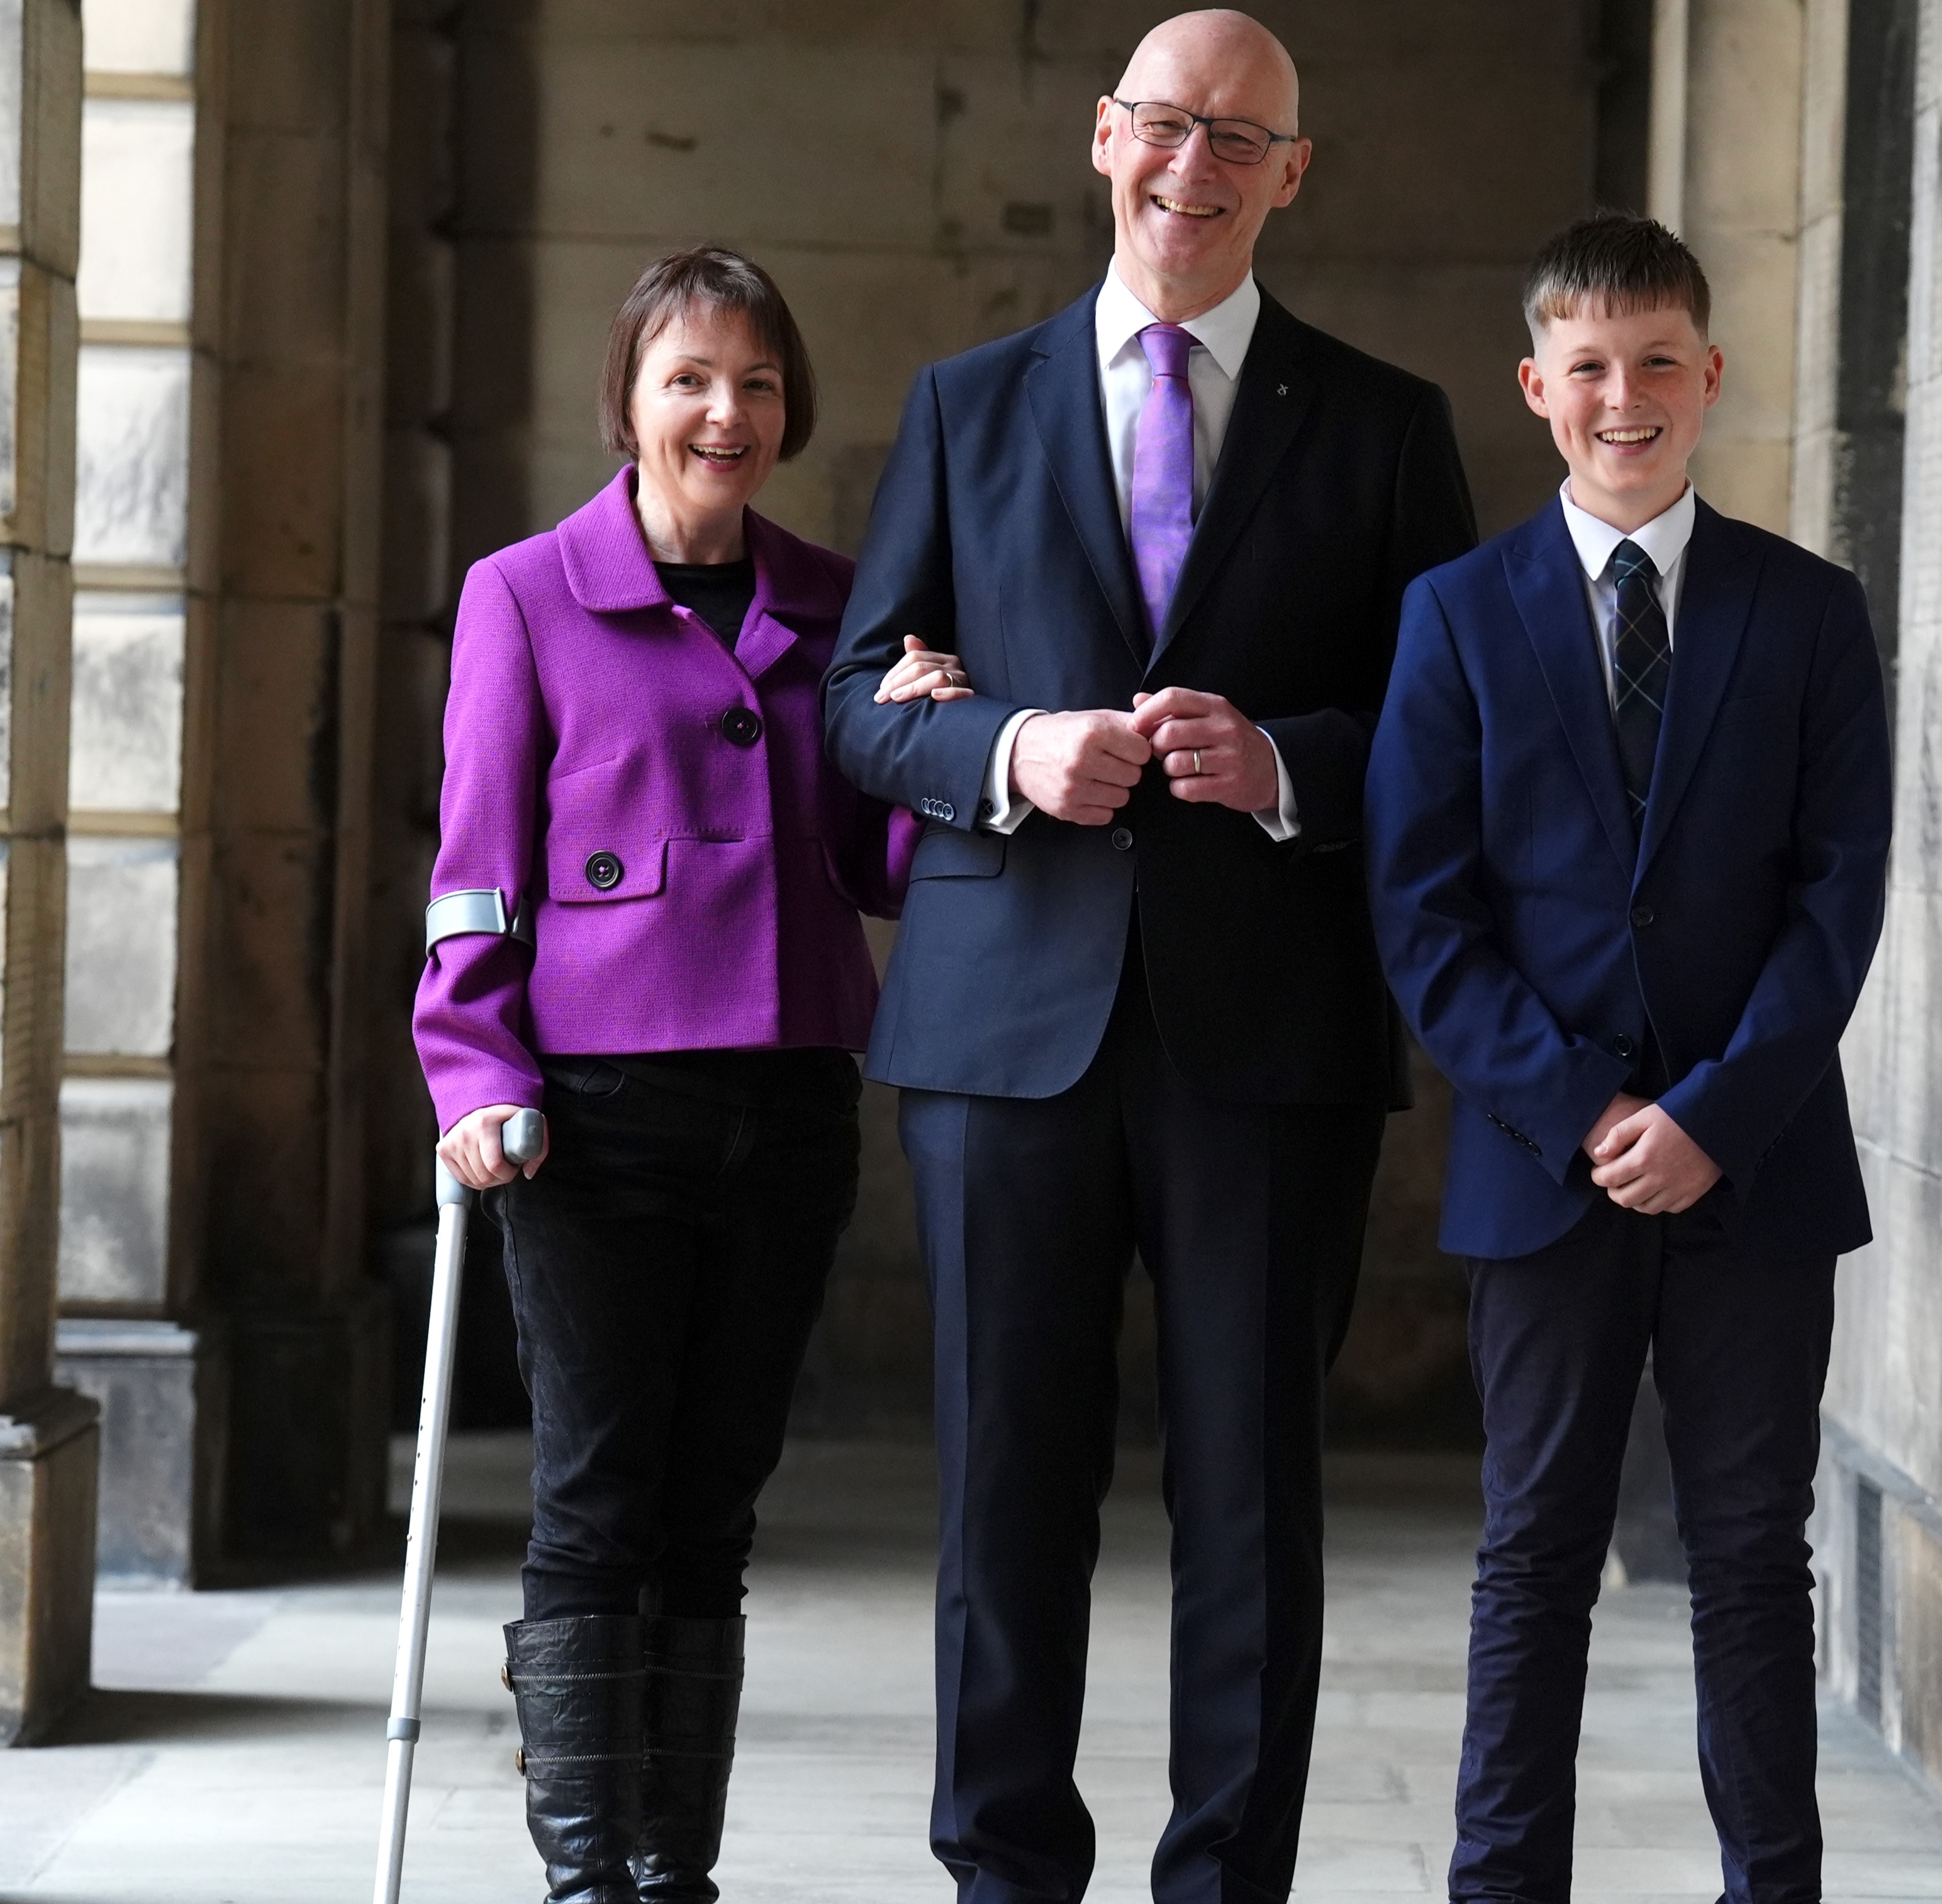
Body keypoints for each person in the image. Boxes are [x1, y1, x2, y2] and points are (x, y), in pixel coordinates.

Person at [822, 12, 1478, 1901]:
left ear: (1293, 174)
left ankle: (1226, 1884)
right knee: (1002, 1496)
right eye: (1169, 126)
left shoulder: (1383, 425)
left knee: (1252, 1506)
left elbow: (1451, 734)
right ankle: (1005, 1876)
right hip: (999, 1025)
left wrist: (1283, 764)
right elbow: (864, 699)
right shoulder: (969, 401)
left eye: (1243, 139)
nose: (1197, 166)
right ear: (1107, 140)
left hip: (1265, 1040)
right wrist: (1010, 749)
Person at [1361, 213, 1892, 1903]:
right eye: (1588, 366)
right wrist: (1591, 1107)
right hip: (1547, 1161)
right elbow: (1424, 912)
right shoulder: (1456, 617)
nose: (1625, 395)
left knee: (1750, 1556)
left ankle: (1772, 1887)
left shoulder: (1810, 616)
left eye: (1658, 360)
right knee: (1534, 1555)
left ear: (1711, 374)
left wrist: (1715, 1113)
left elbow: (1839, 899)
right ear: (1536, 387)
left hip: (1762, 1162)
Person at [412, 245, 949, 1904]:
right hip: (591, 1113)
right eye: (693, 378)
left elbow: (875, 862)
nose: (728, 410)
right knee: (595, 1494)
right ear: (631, 397)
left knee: (713, 1504)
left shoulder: (842, 598)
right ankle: (591, 1882)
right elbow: (476, 861)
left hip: (787, 1106)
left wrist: (928, 733)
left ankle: (672, 1873)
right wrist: (469, 1059)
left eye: (759, 382)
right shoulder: (526, 591)